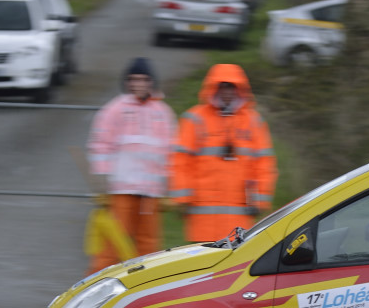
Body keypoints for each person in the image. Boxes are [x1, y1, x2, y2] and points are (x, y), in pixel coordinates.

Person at [85, 57, 178, 274]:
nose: (139, 84)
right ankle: (96, 288)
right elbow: (100, 146)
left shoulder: (163, 113)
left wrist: (169, 188)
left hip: (150, 192)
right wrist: (101, 186)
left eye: (143, 79)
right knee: (112, 243)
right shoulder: (114, 110)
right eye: (134, 79)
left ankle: (145, 290)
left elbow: (172, 152)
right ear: (127, 82)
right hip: (121, 190)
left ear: (151, 82)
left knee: (149, 246)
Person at [170, 63, 277, 242]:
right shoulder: (195, 119)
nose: (227, 91)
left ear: (240, 89)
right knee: (199, 266)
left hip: (239, 217)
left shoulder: (253, 122)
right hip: (201, 218)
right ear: (213, 88)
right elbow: (181, 161)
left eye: (232, 86)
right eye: (222, 86)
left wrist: (261, 200)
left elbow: (264, 164)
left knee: (235, 268)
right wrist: (183, 198)